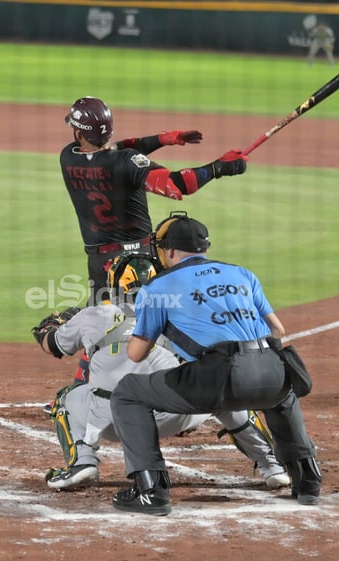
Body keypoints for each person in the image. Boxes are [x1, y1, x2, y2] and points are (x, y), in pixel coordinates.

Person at [110, 213, 321, 516]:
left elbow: (136, 354)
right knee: (281, 394)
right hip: (271, 369)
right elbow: (278, 330)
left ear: (168, 251)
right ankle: (308, 480)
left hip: (217, 378)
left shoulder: (158, 287)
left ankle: (150, 490)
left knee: (128, 391)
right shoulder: (242, 274)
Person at [32, 253, 290, 491]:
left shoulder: (94, 314)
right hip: (175, 412)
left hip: (112, 423)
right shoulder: (181, 309)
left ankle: (83, 463)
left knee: (66, 398)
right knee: (223, 389)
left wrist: (50, 328)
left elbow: (52, 345)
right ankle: (273, 465)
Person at [60, 96, 249, 305]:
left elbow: (113, 151)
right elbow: (177, 185)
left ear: (78, 132)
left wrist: (162, 139)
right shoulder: (126, 162)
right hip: (140, 261)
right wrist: (219, 167)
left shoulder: (68, 157)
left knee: (103, 323)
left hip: (99, 261)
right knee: (149, 322)